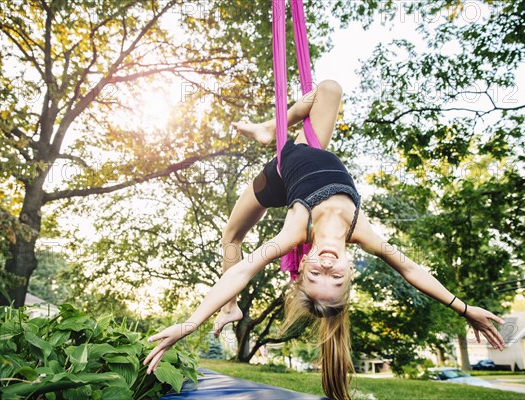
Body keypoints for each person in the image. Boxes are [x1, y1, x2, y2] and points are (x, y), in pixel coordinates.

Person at [144, 80, 506, 400]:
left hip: (277, 177)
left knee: (231, 235)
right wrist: (463, 308)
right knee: (330, 88)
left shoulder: (296, 230)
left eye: (316, 276)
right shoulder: (362, 232)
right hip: (308, 146)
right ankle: (272, 128)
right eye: (337, 278)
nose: (328, 267)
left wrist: (189, 323)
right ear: (351, 270)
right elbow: (411, 270)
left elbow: (243, 270)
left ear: (302, 267)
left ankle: (230, 309)